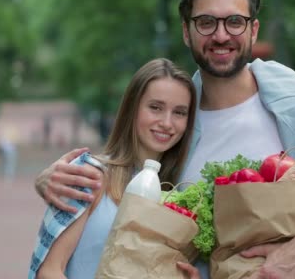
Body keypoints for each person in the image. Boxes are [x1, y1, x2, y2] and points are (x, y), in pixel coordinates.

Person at [34, 0, 295, 279]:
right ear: (187, 32)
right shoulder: (176, 124)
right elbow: (127, 194)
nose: (221, 35)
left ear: (253, 30)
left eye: (235, 21)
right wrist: (51, 180)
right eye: (206, 22)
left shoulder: (292, 100)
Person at [29, 58, 201, 279]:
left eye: (179, 112)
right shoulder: (91, 176)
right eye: (155, 108)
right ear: (132, 108)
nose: (167, 122)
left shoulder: (176, 199)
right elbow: (49, 270)